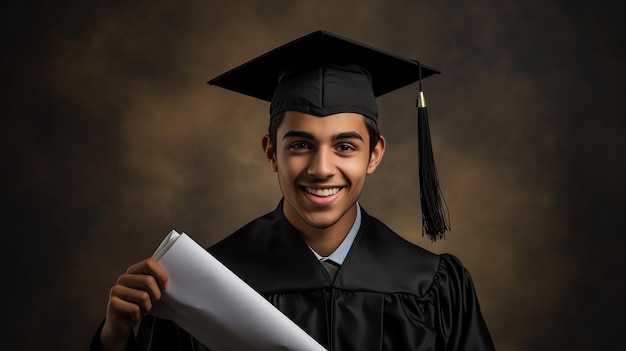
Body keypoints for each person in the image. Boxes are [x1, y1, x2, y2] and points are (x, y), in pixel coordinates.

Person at [91, 30, 495, 351]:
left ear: (374, 154)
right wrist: (114, 340)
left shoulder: (433, 285)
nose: (322, 168)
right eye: (300, 145)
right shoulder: (206, 282)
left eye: (345, 146)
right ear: (271, 153)